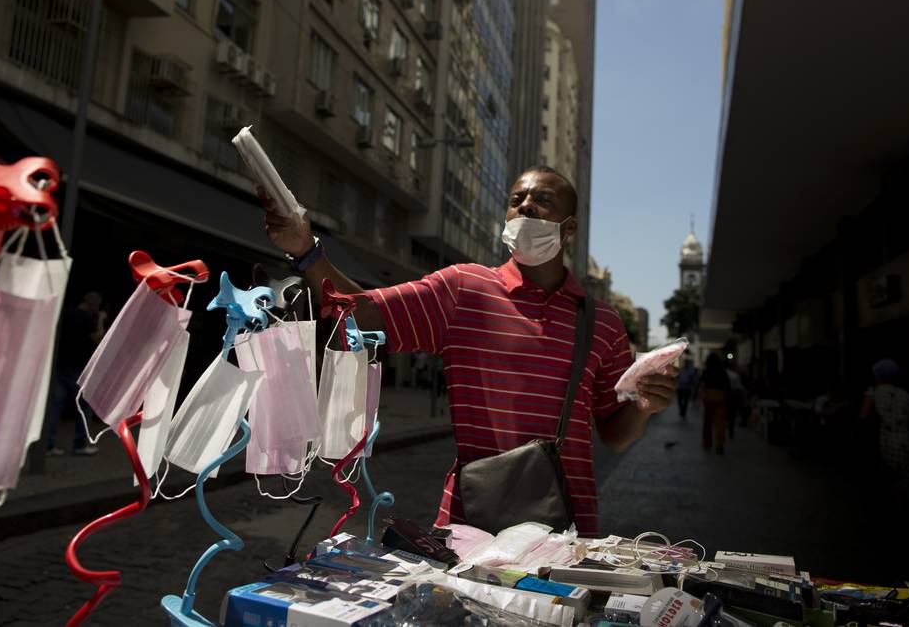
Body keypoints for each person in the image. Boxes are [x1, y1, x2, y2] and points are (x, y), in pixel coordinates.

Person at [259, 165, 678, 536]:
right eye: (518, 200)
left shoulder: (603, 324)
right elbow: (364, 314)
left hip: (569, 531)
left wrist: (643, 406)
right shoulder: (463, 288)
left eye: (543, 201)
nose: (527, 206)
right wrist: (305, 250)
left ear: (568, 228)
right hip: (471, 526)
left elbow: (614, 434)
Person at [45, 292, 107, 456]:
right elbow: (98, 339)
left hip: (60, 364)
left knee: (55, 406)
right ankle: (80, 445)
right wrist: (100, 319)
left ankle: (48, 445)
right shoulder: (87, 318)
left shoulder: (66, 313)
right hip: (78, 368)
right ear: (93, 303)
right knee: (84, 406)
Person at [860, 359, 909, 493]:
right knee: (906, 481)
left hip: (886, 440)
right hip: (906, 440)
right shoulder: (905, 395)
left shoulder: (873, 392)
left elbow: (863, 417)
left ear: (878, 375)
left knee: (888, 480)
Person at [697, 353, 730, 454]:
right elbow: (728, 386)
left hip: (709, 397)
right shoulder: (723, 372)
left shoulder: (706, 372)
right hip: (721, 397)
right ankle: (719, 445)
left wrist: (701, 397)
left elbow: (702, 384)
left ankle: (707, 443)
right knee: (720, 423)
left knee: (708, 422)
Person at [724, 361, 746, 439]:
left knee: (724, 413)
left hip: (723, 396)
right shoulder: (734, 375)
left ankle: (724, 427)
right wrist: (742, 399)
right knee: (732, 414)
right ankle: (731, 429)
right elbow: (739, 388)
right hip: (732, 396)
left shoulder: (721, 374)